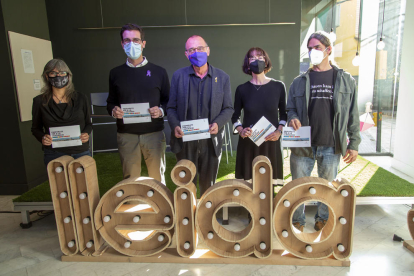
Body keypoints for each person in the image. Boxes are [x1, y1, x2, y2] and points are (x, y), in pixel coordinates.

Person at [287, 31, 361, 232]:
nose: (312, 52)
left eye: (317, 48)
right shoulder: (298, 81)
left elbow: (353, 113)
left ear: (328, 50)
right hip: (303, 145)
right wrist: (293, 116)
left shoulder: (346, 80)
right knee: (298, 187)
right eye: (310, 49)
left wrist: (353, 144)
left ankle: (323, 219)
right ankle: (297, 221)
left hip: (331, 145)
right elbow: (290, 108)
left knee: (327, 188)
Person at [167, 35, 234, 196]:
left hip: (210, 142)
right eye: (192, 50)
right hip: (185, 141)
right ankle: (188, 215)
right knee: (185, 184)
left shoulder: (222, 77)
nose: (196, 52)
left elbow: (228, 108)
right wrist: (175, 125)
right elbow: (171, 107)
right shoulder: (179, 76)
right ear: (186, 54)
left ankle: (206, 216)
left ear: (208, 50)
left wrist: (218, 123)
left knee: (208, 185)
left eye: (200, 48)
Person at [107, 23, 170, 183]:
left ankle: (160, 207)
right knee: (130, 180)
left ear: (143, 43)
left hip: (153, 134)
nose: (131, 44)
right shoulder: (115, 73)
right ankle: (133, 206)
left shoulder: (159, 72)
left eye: (136, 40)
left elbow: (168, 101)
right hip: (126, 134)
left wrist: (161, 111)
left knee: (156, 178)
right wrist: (114, 110)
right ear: (122, 44)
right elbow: (111, 102)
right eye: (127, 40)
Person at [232, 47, 287, 185]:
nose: (257, 60)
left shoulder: (279, 86)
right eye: (252, 58)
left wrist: (279, 131)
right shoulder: (241, 89)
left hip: (271, 142)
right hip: (249, 143)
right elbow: (235, 116)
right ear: (247, 63)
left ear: (266, 61)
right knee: (248, 187)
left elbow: (284, 114)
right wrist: (241, 130)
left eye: (260, 57)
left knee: (268, 187)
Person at [31, 59, 92, 165]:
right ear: (47, 76)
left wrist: (86, 134)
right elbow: (35, 128)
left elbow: (88, 124)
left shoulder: (81, 98)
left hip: (81, 152)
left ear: (68, 75)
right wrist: (43, 138)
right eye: (53, 73)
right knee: (58, 182)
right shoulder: (39, 101)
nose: (58, 76)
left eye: (62, 73)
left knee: (84, 182)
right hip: (54, 153)